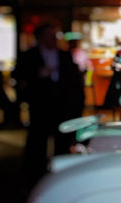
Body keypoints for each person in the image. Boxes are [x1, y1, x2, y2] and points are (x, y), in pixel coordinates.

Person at [13, 23, 84, 186]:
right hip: (40, 106)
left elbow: (73, 81)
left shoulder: (65, 55)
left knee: (63, 141)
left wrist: (76, 104)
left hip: (63, 106)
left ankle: (61, 174)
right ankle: (35, 176)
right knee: (37, 141)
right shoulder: (29, 55)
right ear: (40, 38)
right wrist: (36, 75)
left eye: (55, 35)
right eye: (50, 35)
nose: (54, 39)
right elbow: (18, 76)